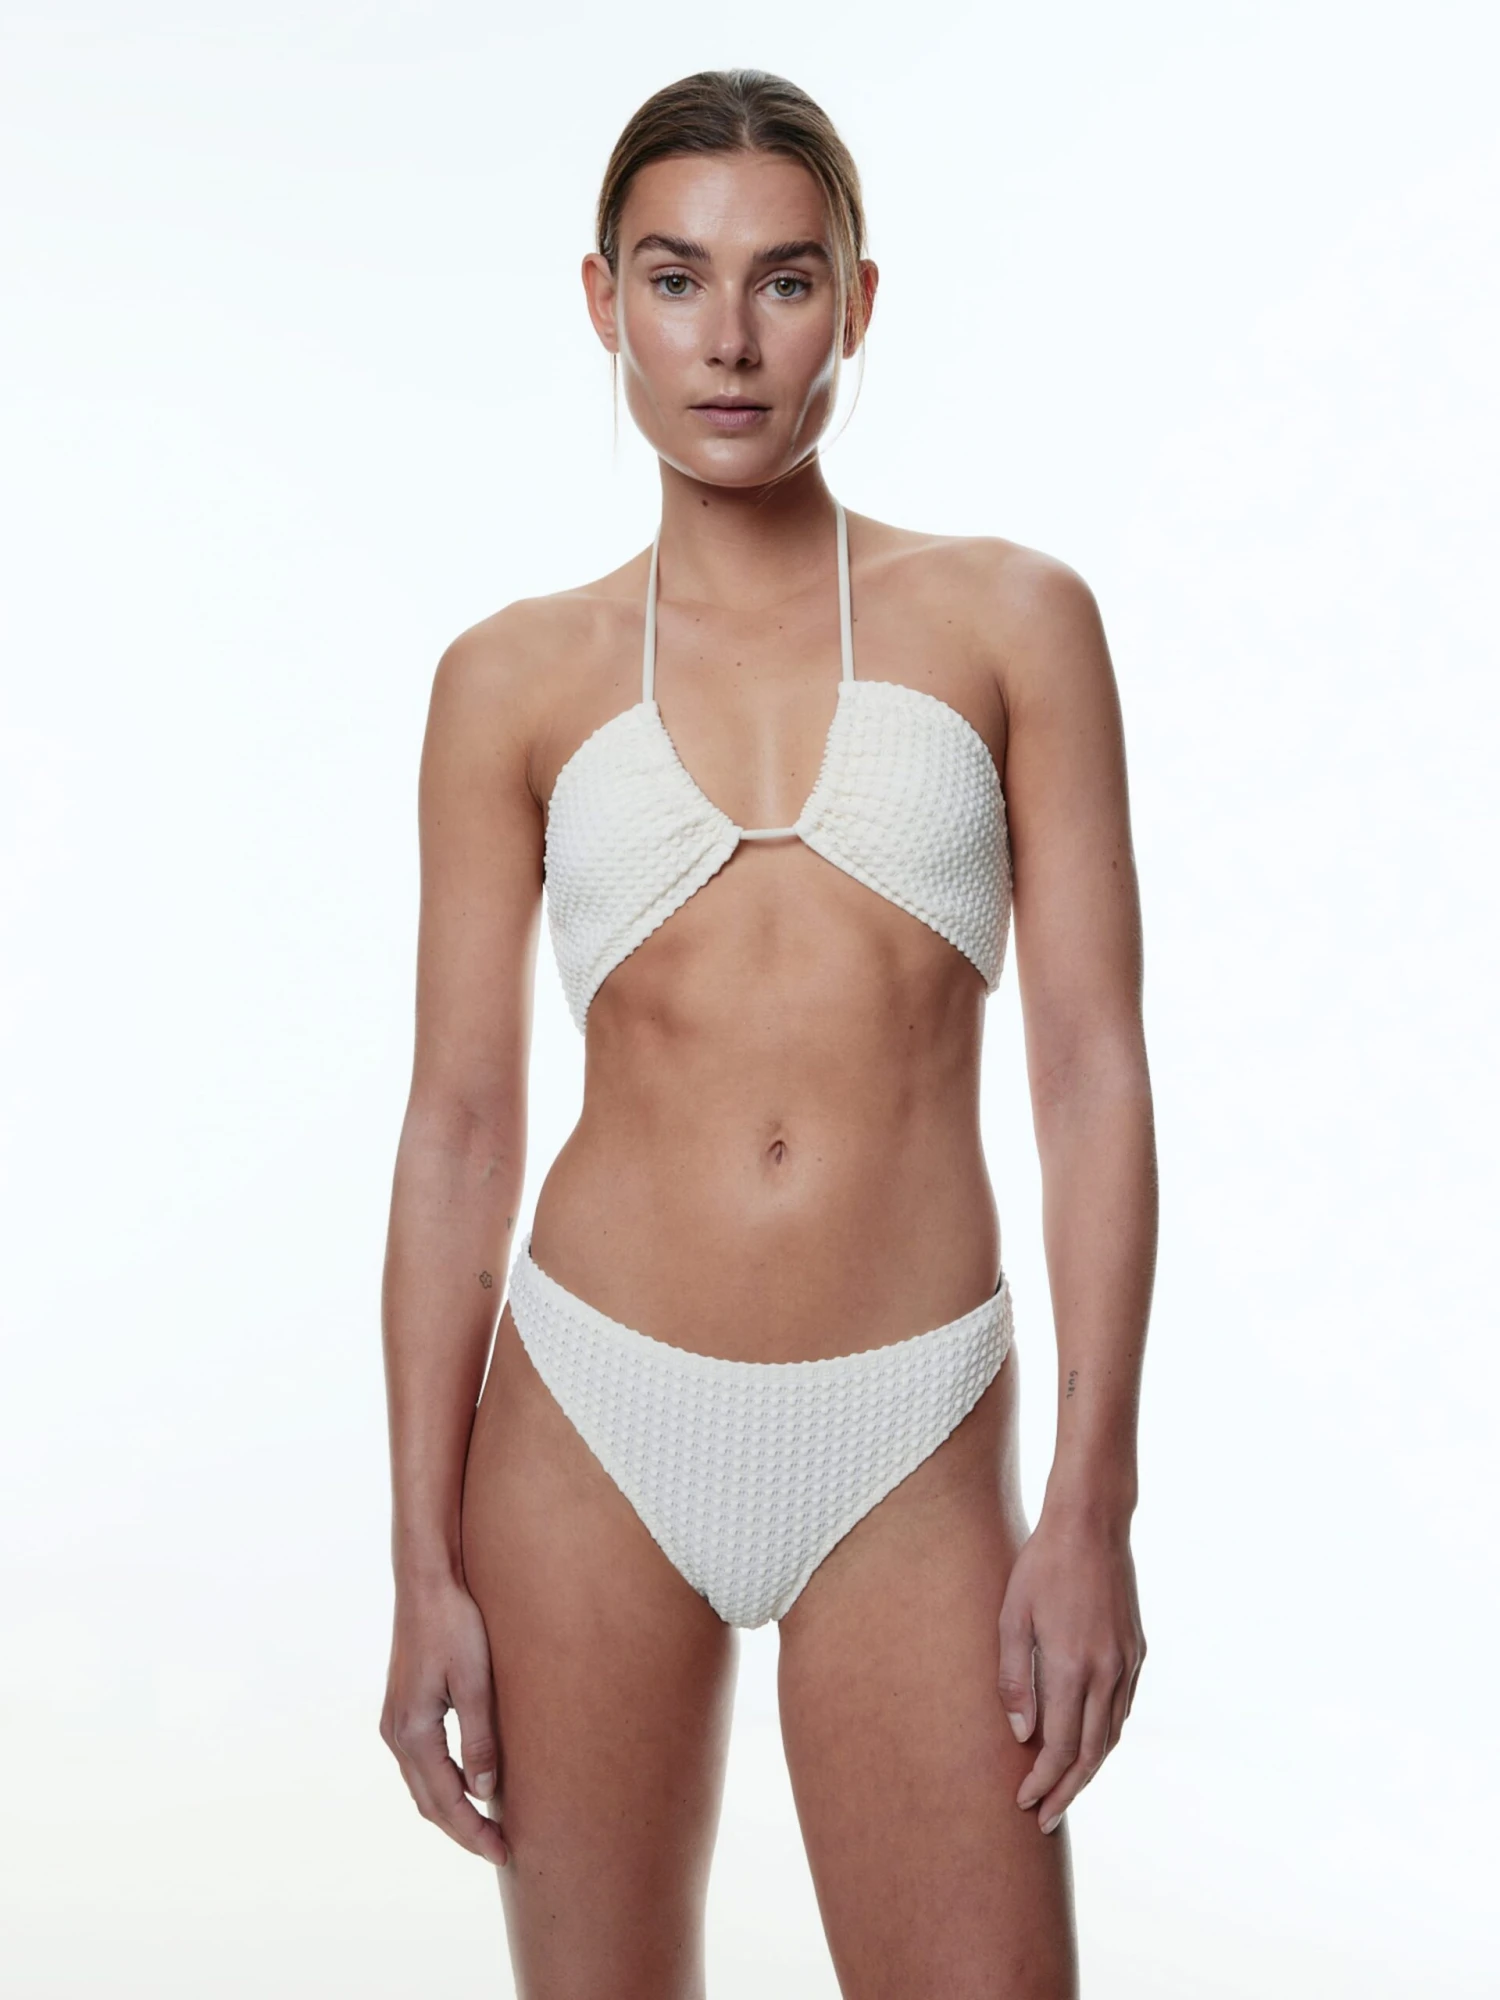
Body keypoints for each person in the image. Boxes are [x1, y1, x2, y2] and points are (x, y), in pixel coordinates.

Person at [378, 66, 1155, 2000]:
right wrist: (419, 1564)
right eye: (675, 278)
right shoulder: (509, 678)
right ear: (603, 302)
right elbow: (459, 1127)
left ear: (858, 302)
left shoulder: (1012, 621)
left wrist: (1094, 1501)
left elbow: (1090, 1075)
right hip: (585, 1422)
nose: (728, 340)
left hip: (915, 1434)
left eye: (785, 281)